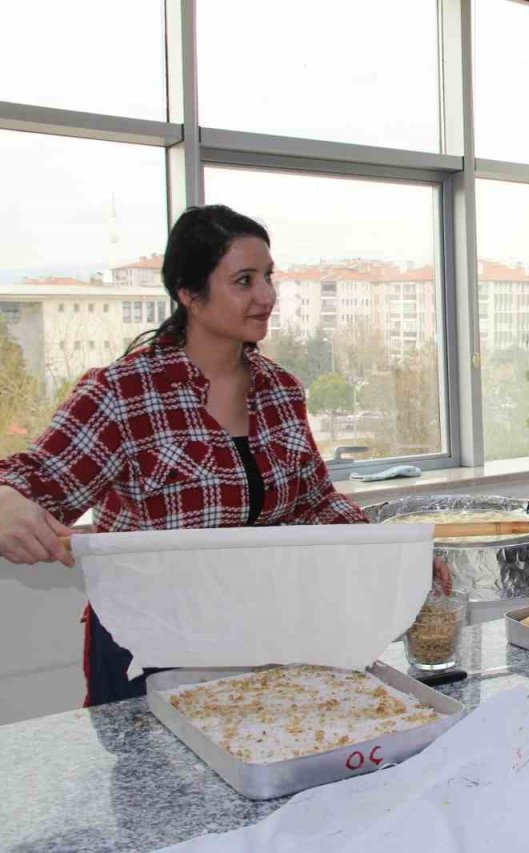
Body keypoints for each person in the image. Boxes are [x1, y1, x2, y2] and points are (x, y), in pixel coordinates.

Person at [0, 204, 446, 706]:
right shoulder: (124, 393)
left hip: (254, 632)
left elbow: (314, 504)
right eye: (244, 280)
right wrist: (6, 500)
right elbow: (35, 481)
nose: (267, 296)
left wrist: (400, 552)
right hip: (148, 643)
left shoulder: (281, 390)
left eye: (269, 277)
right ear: (189, 294)